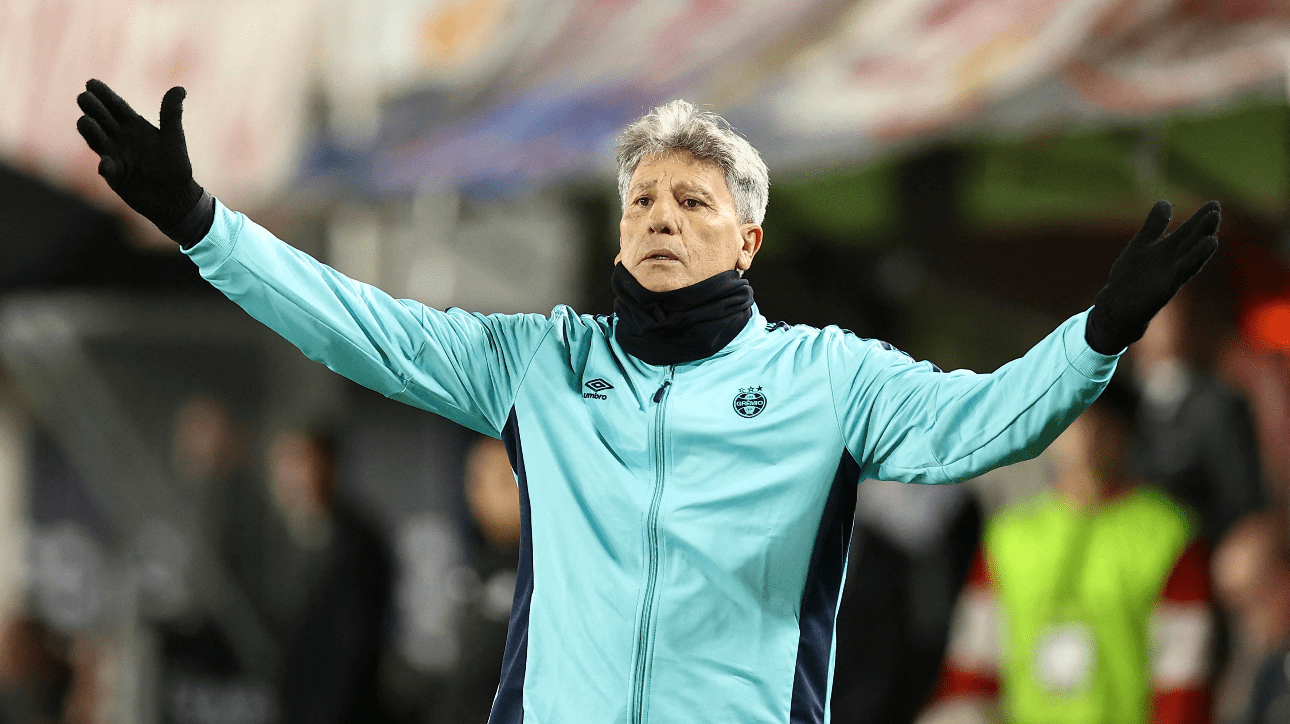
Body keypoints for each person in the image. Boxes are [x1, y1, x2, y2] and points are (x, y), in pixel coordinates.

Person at [74, 79, 1220, 724]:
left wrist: (1100, 333)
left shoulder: (829, 379)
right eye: (642, 201)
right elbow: (357, 323)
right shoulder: (542, 363)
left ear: (750, 238)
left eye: (691, 200)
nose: (660, 217)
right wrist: (201, 226)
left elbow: (987, 425)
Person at [921, 382, 1212, 724]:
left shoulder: (1167, 535)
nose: (1085, 437)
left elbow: (1183, 682)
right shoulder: (1010, 535)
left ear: (1126, 433)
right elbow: (971, 671)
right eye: (1072, 420)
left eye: (1100, 423)